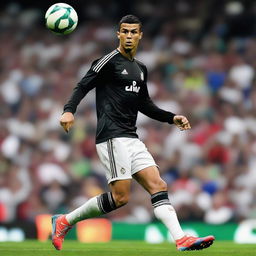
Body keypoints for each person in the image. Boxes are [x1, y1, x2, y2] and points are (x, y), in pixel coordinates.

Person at [52, 14, 215, 251]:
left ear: (140, 35)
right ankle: (65, 221)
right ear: (118, 34)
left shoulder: (140, 69)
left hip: (131, 137)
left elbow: (144, 104)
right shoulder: (107, 61)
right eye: (124, 32)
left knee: (158, 185)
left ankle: (181, 239)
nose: (129, 36)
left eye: (133, 32)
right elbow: (82, 86)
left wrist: (171, 117)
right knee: (120, 198)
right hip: (111, 135)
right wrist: (68, 111)